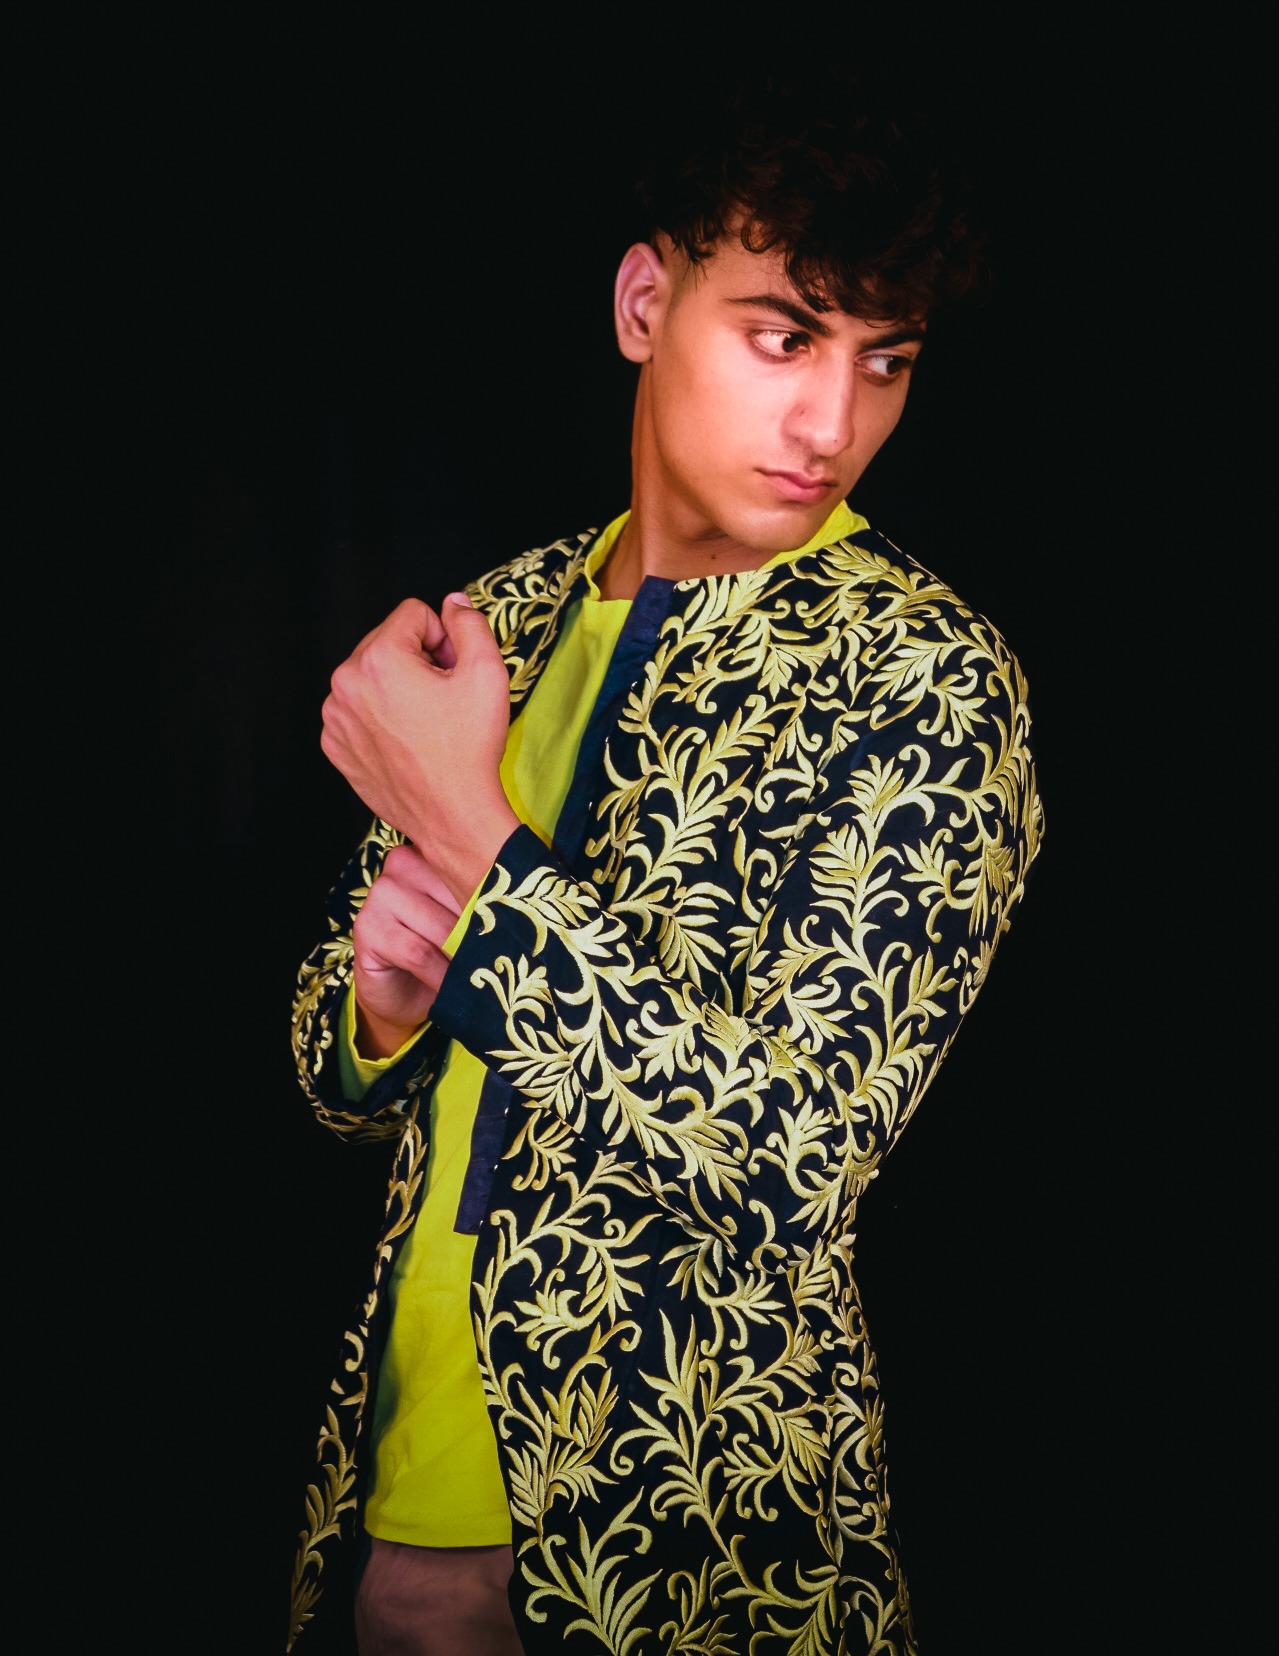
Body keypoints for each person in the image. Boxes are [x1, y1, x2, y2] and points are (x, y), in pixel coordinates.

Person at [287, 69, 1042, 1656]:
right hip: (388, 1500)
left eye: (885, 361)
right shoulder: (505, 616)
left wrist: (478, 852)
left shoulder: (926, 680)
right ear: (647, 303)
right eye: (784, 336)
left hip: (690, 1548)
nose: (834, 424)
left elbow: (789, 1167)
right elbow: (337, 1079)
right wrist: (378, 1005)